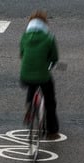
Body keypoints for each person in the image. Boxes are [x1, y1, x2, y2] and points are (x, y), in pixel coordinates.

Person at [20, 10, 60, 139]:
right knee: (50, 101)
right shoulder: (49, 38)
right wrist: (49, 65)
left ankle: (29, 107)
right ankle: (52, 130)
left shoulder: (24, 37)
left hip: (25, 75)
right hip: (43, 75)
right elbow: (54, 58)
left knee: (32, 85)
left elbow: (21, 54)